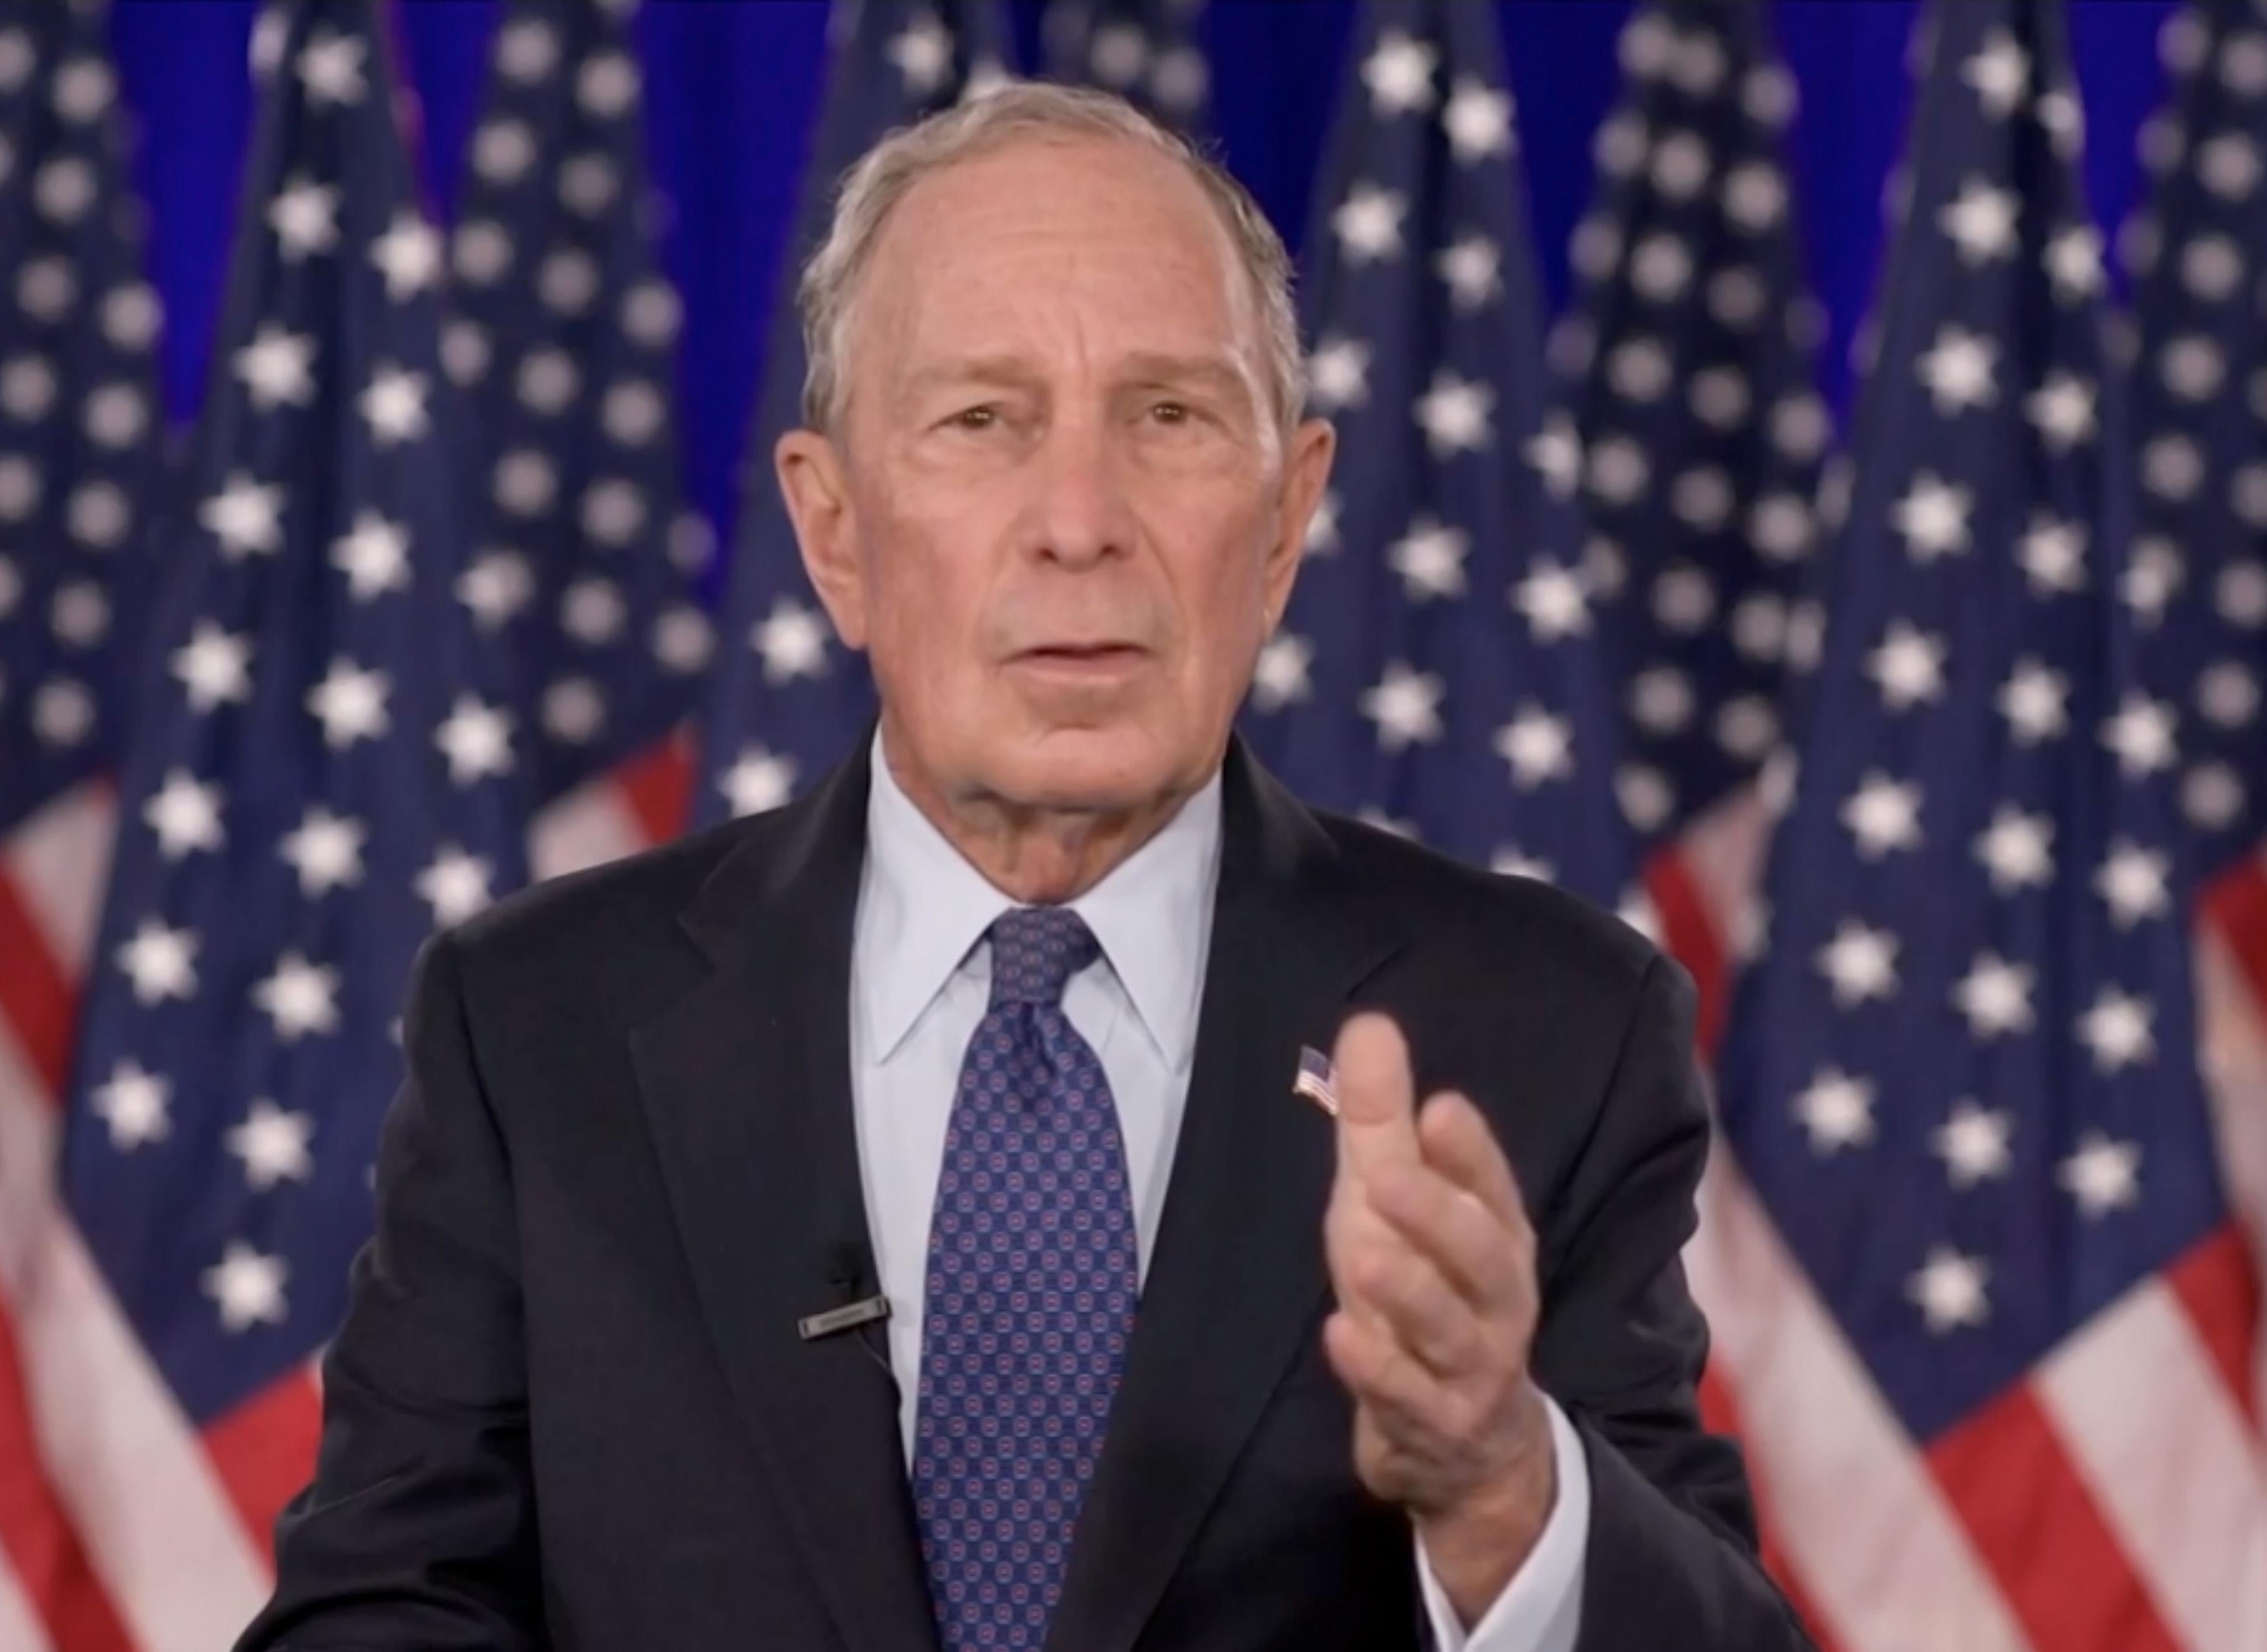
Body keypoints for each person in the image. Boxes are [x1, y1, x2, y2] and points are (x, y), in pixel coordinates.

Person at [237, 82, 1808, 1652]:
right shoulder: (536, 1028)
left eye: (1169, 419)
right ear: (834, 530)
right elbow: (377, 1619)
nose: (1078, 523)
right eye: (981, 419)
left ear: (1282, 526)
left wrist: (1499, 1494)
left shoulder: (1548, 1033)